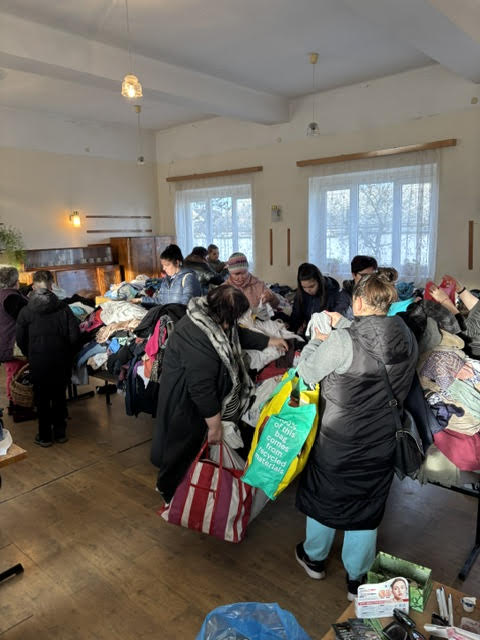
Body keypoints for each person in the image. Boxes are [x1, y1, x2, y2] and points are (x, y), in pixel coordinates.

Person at [294, 273, 417, 600]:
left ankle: (314, 558)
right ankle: (356, 579)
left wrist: (318, 339)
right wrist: (346, 324)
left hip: (339, 439)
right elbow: (374, 345)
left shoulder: (341, 342)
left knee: (324, 496)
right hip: (382, 438)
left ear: (358, 301)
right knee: (367, 505)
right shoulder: (406, 333)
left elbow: (307, 372)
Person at [151, 285, 288, 503]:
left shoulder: (214, 320)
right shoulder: (196, 334)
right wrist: (214, 425)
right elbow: (201, 388)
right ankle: (168, 492)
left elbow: (238, 334)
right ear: (222, 314)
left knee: (192, 447)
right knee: (181, 448)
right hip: (185, 401)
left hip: (198, 398)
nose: (232, 324)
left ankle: (188, 487)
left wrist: (268, 341)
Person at [16, 270, 80, 446]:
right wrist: (68, 353)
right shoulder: (64, 308)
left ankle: (44, 436)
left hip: (38, 360)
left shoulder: (26, 311)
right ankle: (60, 433)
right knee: (59, 396)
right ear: (52, 286)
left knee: (41, 398)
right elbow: (75, 336)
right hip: (61, 358)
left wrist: (30, 353)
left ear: (34, 286)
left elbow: (20, 339)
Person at [289, 263, 349, 335]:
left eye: (311, 286)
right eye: (304, 287)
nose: (308, 290)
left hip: (328, 334)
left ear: (319, 281)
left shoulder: (333, 294)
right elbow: (296, 316)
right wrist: (293, 330)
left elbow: (337, 322)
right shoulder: (301, 293)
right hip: (309, 333)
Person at [134, 244, 201, 307]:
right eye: (163, 265)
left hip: (178, 315)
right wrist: (140, 300)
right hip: (169, 313)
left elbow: (186, 305)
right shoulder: (166, 280)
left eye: (167, 265)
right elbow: (160, 300)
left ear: (177, 263)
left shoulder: (189, 278)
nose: (164, 268)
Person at [0, 266, 28, 410]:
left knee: (13, 373)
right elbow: (25, 318)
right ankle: (17, 406)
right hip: (12, 343)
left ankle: (15, 404)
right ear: (15, 280)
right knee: (16, 375)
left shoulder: (4, 294)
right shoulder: (11, 298)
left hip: (6, 342)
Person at [341, 255, 378, 319]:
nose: (368, 279)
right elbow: (341, 320)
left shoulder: (379, 292)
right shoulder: (344, 296)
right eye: (364, 275)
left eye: (372, 276)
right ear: (353, 275)